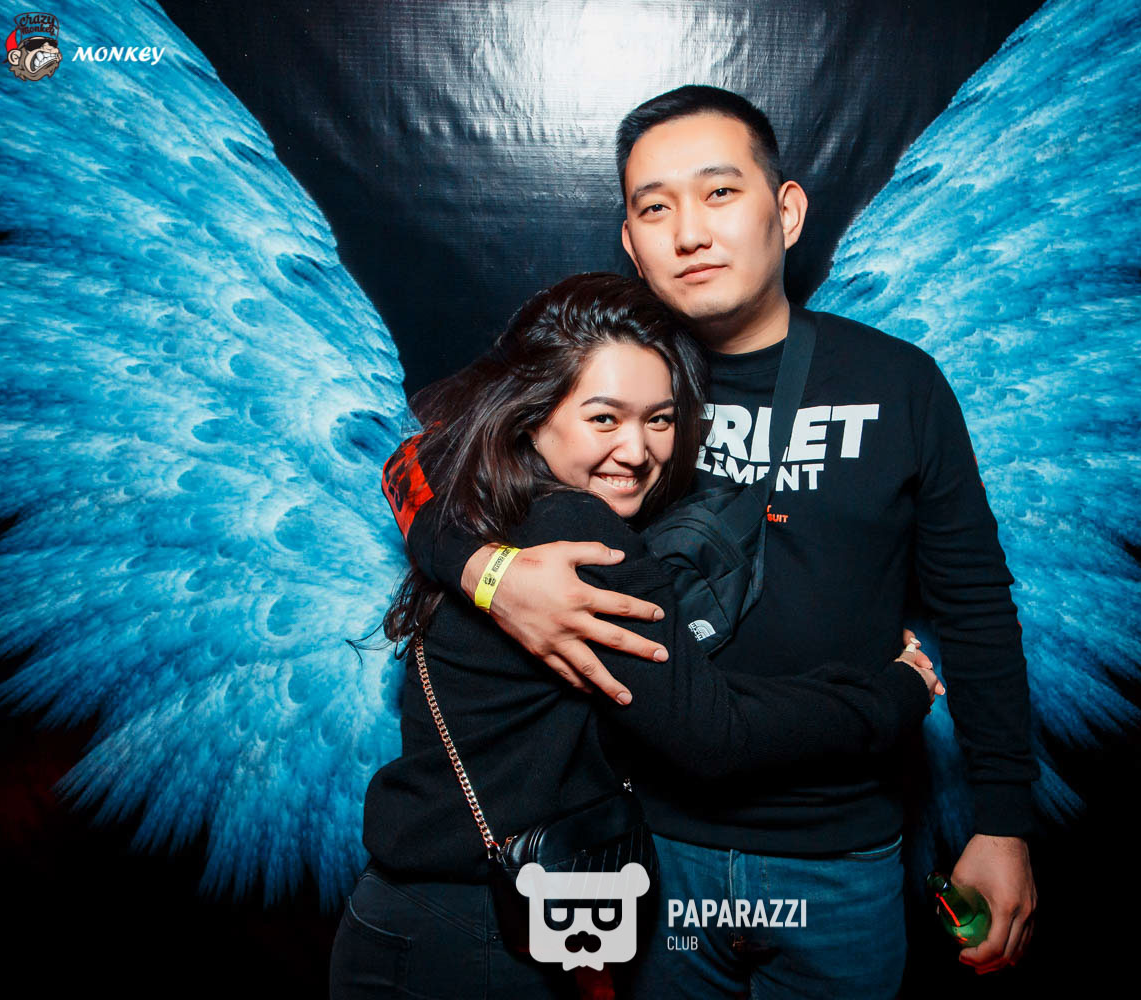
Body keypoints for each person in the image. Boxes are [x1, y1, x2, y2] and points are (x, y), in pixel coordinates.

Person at [398, 87, 1039, 997]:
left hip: (842, 853)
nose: (690, 232)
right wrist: (490, 573)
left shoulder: (899, 382)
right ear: (631, 243)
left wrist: (1004, 820)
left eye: (720, 193)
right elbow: (418, 464)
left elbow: (974, 604)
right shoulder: (607, 369)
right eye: (656, 207)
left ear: (787, 211)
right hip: (653, 850)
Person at [330, 273, 941, 999]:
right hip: (471, 936)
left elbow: (420, 453)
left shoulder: (485, 489)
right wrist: (893, 693)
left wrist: (482, 569)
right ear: (532, 415)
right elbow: (715, 736)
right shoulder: (582, 529)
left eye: (660, 419)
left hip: (417, 918)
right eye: (603, 418)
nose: (636, 449)